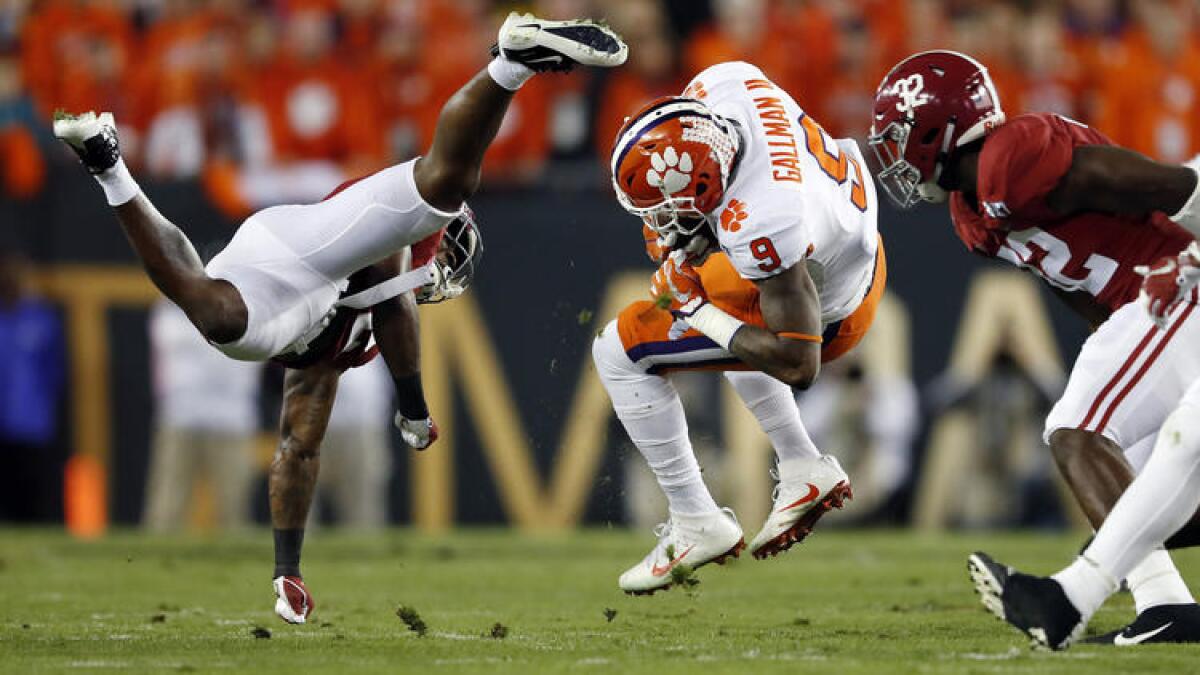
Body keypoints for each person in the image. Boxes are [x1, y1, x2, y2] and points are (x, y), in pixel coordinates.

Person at [54, 12, 628, 624]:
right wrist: (412, 405)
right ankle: (510, 62)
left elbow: (298, 449)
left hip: (284, 295)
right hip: (311, 252)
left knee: (226, 316)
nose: (445, 269)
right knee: (438, 191)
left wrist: (287, 568)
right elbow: (389, 289)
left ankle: (108, 161)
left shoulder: (336, 351)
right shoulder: (392, 253)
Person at [869, 49, 1200, 648]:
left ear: (935, 127)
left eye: (899, 134)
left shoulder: (1013, 154)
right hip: (1144, 311)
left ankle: (1132, 595)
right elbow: (1066, 277)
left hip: (1176, 286)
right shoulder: (970, 213)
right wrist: (1110, 337)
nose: (893, 150)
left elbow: (1150, 183)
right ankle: (1168, 607)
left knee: (1076, 430)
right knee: (1151, 487)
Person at [598, 60, 884, 594]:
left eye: (662, 207)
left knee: (619, 349)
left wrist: (698, 311)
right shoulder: (722, 83)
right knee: (722, 290)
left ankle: (694, 520)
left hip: (833, 304)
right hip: (843, 234)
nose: (655, 220)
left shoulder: (763, 222)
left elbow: (800, 365)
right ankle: (802, 466)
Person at [142, 300, 262, 532]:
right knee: (168, 504)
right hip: (181, 416)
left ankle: (236, 560)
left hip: (232, 418)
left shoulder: (245, 301)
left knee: (234, 505)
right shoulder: (172, 308)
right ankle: (157, 555)